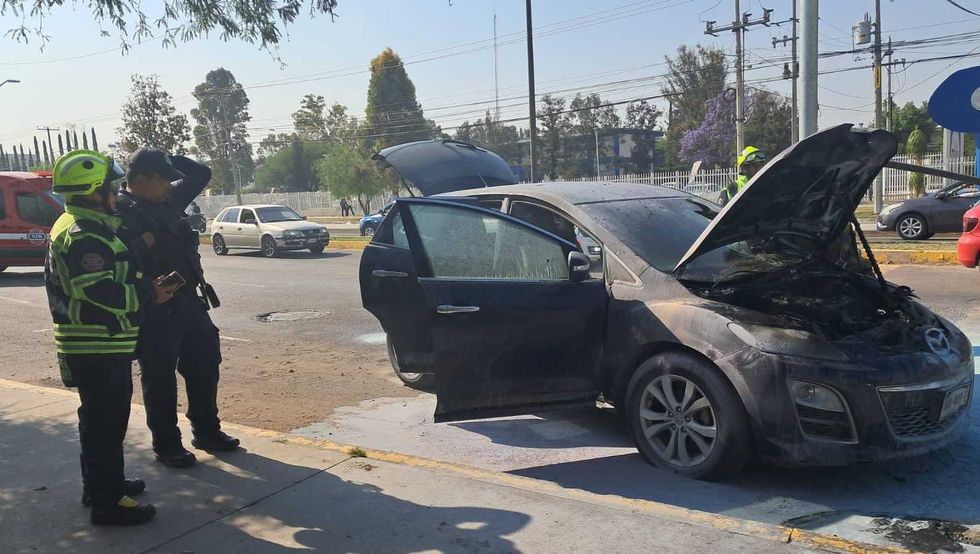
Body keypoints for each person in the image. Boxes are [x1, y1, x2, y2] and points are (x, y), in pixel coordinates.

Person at [45, 150, 172, 526]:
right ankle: (108, 502)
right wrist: (150, 293)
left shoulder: (86, 225)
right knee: (105, 424)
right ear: (92, 192)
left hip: (100, 342)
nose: (117, 195)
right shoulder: (84, 233)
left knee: (100, 422)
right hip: (96, 344)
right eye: (111, 188)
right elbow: (97, 290)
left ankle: (101, 485)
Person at [116, 147, 239, 469]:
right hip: (154, 308)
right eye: (163, 179)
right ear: (142, 179)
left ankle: (207, 431)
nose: (170, 186)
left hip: (189, 301)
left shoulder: (169, 200)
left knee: (205, 364)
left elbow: (201, 173)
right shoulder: (120, 211)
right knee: (159, 379)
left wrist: (166, 157)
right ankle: (167, 445)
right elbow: (116, 264)